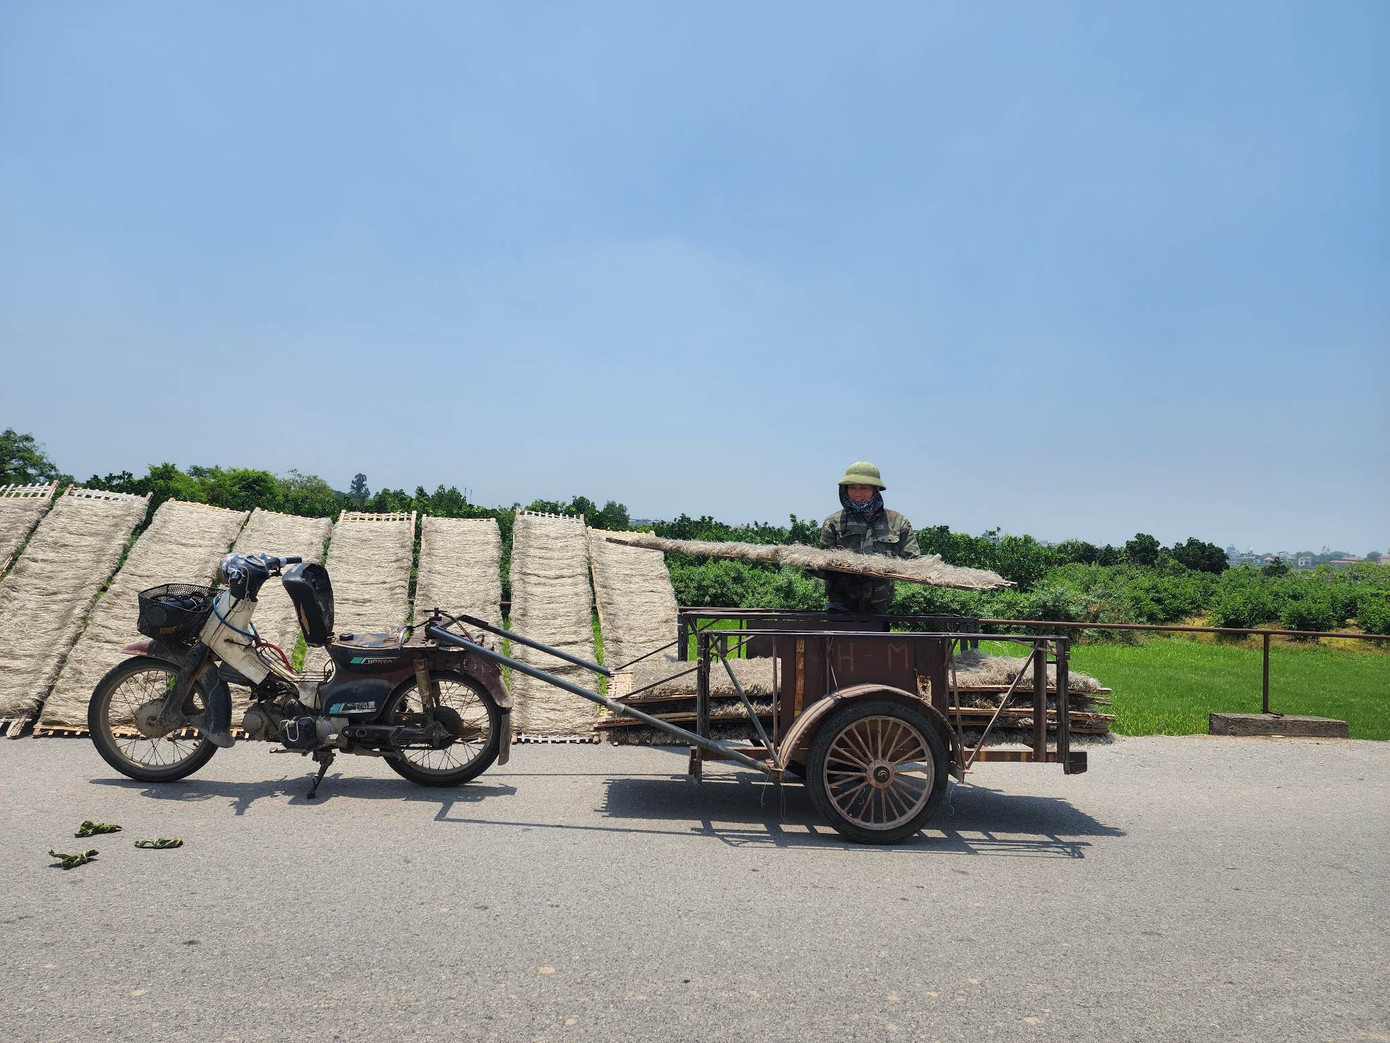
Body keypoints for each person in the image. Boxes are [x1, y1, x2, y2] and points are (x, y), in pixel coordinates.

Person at [820, 461, 920, 614]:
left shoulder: (897, 522)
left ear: (875, 489)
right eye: (852, 487)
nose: (857, 493)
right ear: (845, 489)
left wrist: (885, 567)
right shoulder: (833, 522)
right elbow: (823, 565)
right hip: (842, 603)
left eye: (864, 488)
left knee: (875, 638)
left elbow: (912, 560)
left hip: (879, 604)